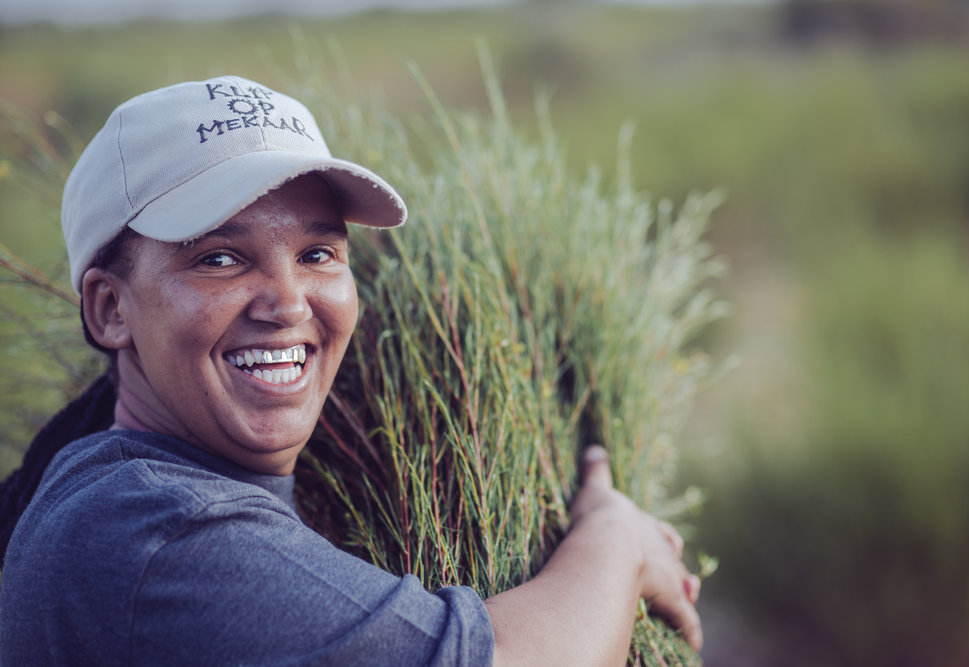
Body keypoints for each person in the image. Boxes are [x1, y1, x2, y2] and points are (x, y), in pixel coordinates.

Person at [0, 75, 701, 665]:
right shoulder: (154, 531)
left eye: (318, 254)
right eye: (218, 258)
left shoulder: (121, 482)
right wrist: (616, 536)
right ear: (110, 308)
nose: (288, 303)